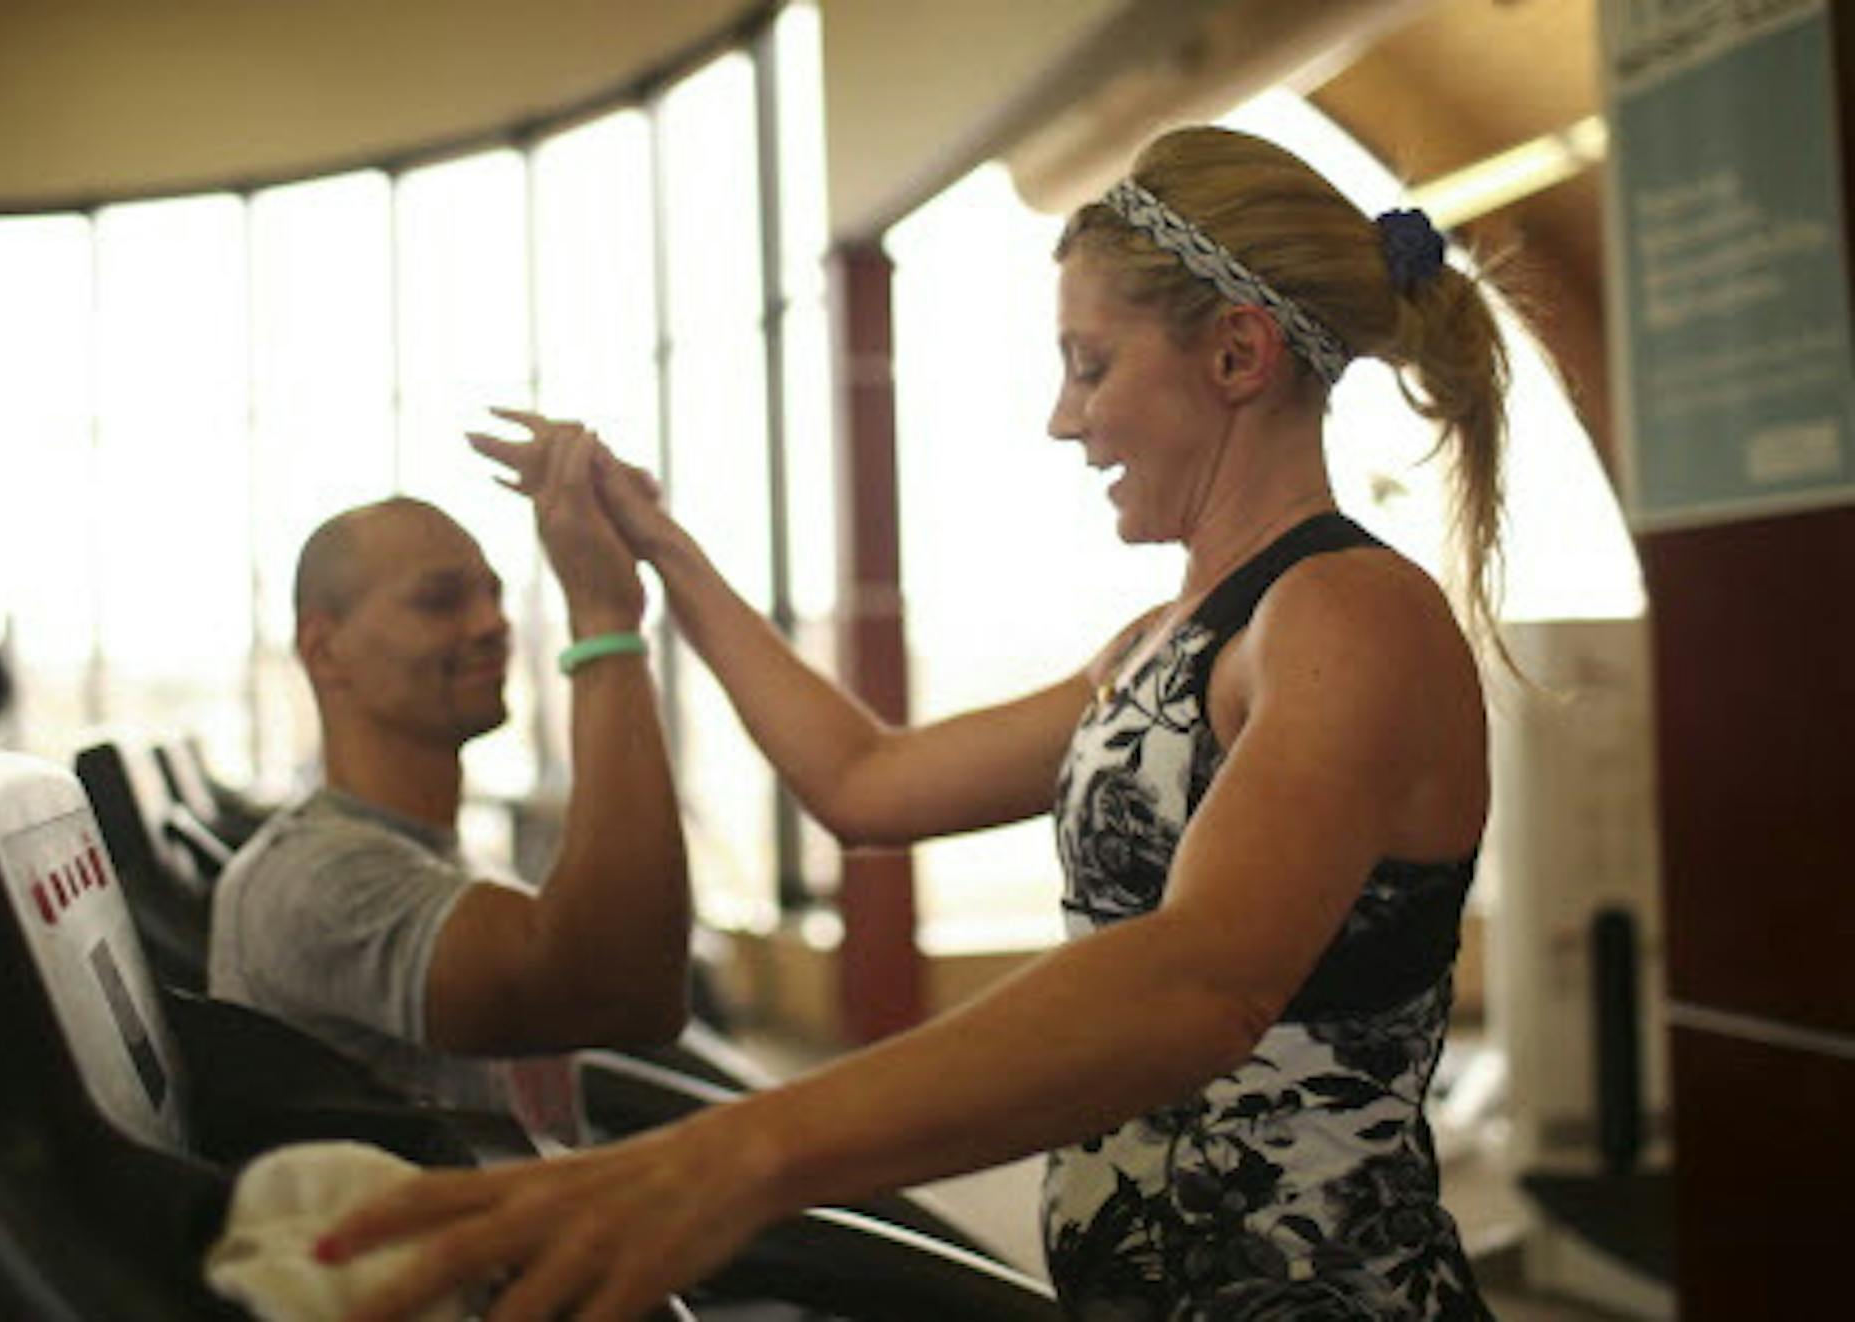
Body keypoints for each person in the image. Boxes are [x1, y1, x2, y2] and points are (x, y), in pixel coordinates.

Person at [319, 124, 1506, 1320]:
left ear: (1238, 356)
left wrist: (740, 1154)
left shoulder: (1352, 615)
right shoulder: (1167, 639)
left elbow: (1198, 982)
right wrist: (660, 557)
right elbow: (866, 781)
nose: (1064, 417)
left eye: (1089, 365)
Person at [208, 416, 691, 1145]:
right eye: (441, 601)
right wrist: (606, 623)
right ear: (324, 649)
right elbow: (622, 988)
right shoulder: (318, 879)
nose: (492, 623)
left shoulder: (439, 855)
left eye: (493, 596)